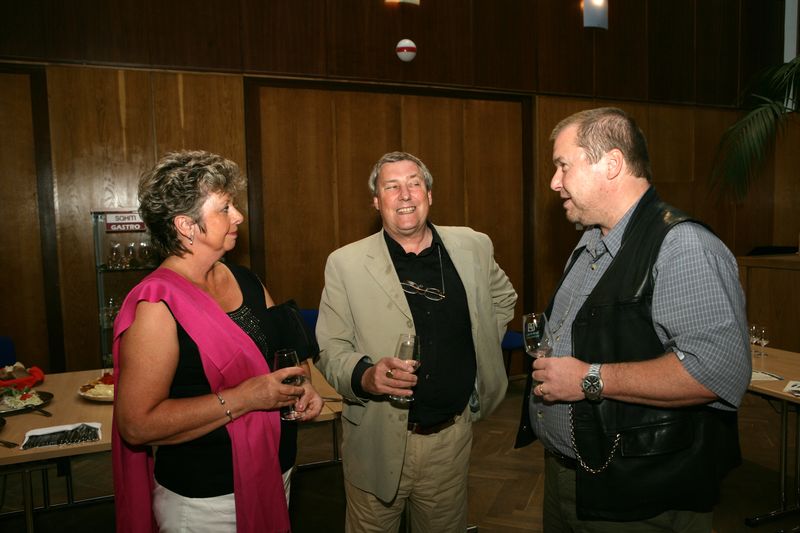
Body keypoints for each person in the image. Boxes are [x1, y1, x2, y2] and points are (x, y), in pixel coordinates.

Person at [515, 107, 751, 532]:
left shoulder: (682, 245)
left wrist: (589, 379)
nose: (554, 182)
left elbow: (717, 373)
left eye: (563, 166)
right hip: (572, 477)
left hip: (640, 494)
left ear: (611, 164)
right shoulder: (590, 243)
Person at [112, 150, 323, 533]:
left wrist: (302, 384)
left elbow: (287, 353)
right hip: (206, 500)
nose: (238, 216)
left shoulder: (247, 280)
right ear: (186, 225)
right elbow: (137, 425)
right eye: (225, 208)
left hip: (275, 472)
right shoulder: (157, 306)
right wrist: (245, 398)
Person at [316, 151, 518, 533]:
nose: (405, 194)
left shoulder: (473, 245)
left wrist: (477, 348)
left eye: (414, 183)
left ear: (429, 194)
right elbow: (331, 348)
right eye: (391, 187)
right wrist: (366, 376)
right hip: (375, 442)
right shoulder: (345, 264)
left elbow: (503, 297)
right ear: (377, 202)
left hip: (449, 442)